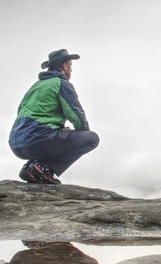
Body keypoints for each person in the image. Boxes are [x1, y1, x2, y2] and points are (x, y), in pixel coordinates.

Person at [9, 49, 99, 184]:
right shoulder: (61, 83)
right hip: (38, 140)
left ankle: (31, 167)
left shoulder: (36, 86)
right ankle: (45, 169)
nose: (71, 71)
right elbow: (76, 115)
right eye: (71, 66)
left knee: (62, 134)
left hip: (16, 143)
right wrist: (82, 133)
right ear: (65, 66)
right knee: (91, 139)